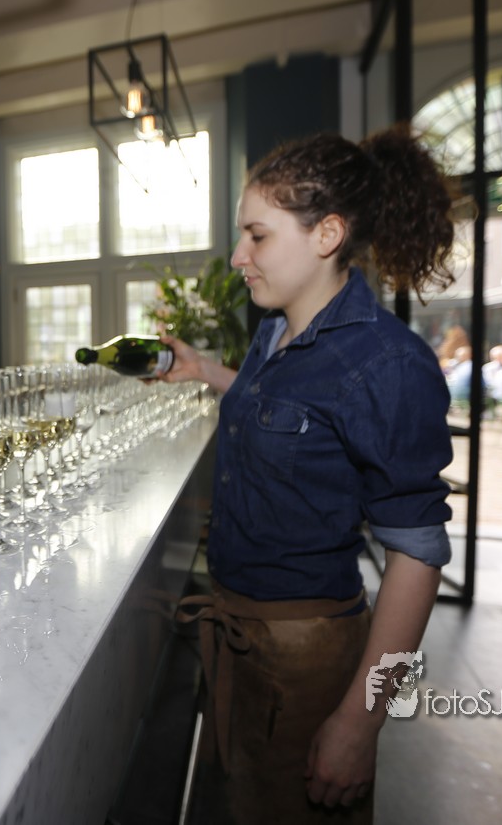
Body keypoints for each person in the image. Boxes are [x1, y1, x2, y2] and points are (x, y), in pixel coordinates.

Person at [166, 125, 455, 824]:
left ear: (327, 234)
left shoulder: (387, 363)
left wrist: (360, 721)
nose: (238, 256)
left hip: (305, 653)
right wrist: (204, 370)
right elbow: (285, 409)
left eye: (257, 236)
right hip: (241, 632)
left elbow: (416, 555)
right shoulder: (275, 332)